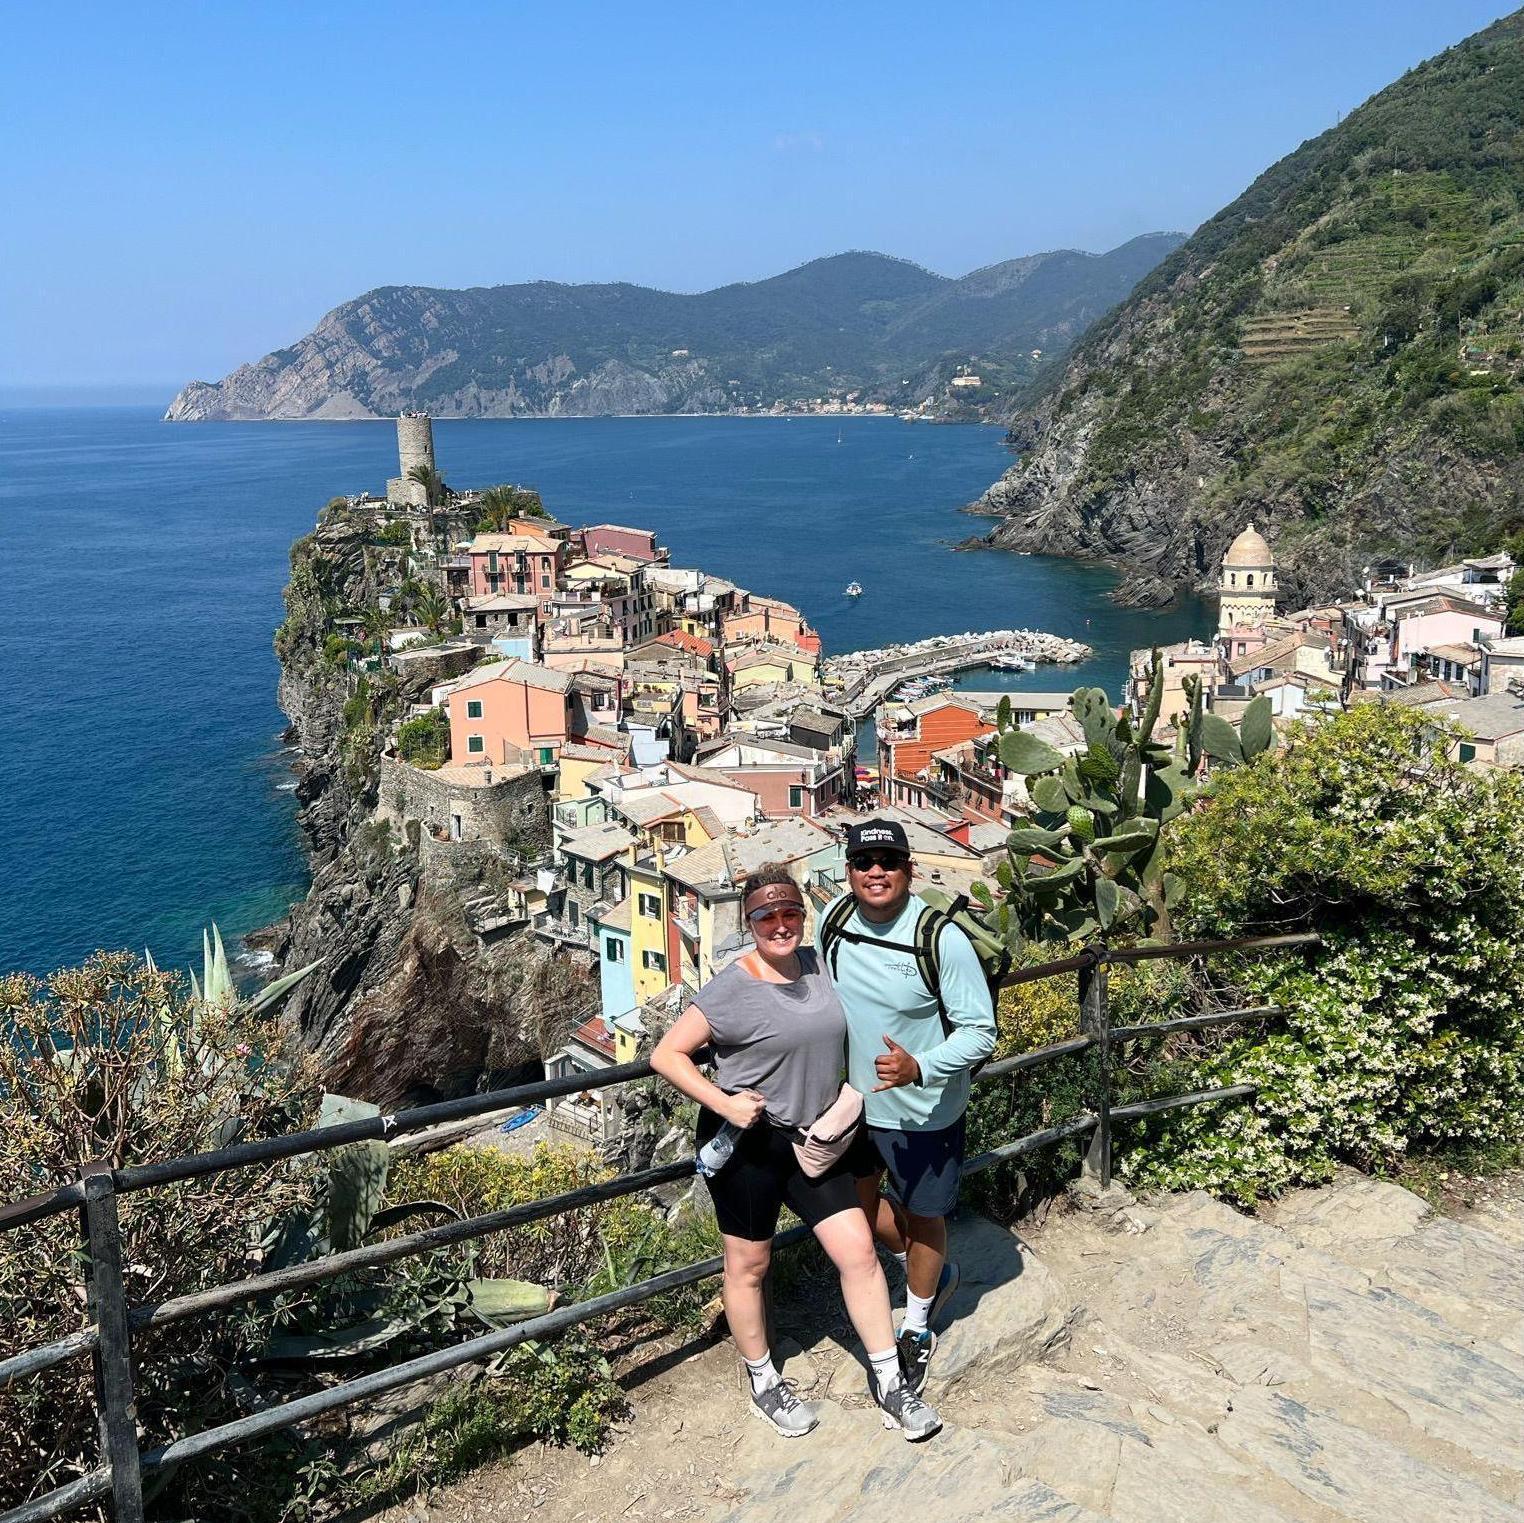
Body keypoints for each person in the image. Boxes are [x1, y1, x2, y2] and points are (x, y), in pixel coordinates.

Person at [651, 864, 941, 1442]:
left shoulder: (818, 965)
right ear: (749, 920)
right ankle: (763, 1381)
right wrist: (725, 1104)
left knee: (858, 1252)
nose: (780, 925)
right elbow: (668, 1055)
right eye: (766, 916)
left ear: (801, 917)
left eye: (789, 914)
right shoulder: (731, 988)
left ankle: (889, 1383)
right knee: (750, 1265)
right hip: (748, 1146)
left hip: (814, 1142)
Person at [823, 819, 996, 1393]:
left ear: (908, 870)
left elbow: (980, 1032)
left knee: (926, 1216)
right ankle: (933, 1272)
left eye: (889, 861)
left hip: (924, 1112)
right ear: (848, 871)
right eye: (865, 862)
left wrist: (919, 1066)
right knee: (859, 1212)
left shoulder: (938, 937)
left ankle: (918, 1324)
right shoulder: (833, 922)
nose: (877, 872)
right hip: (854, 1105)